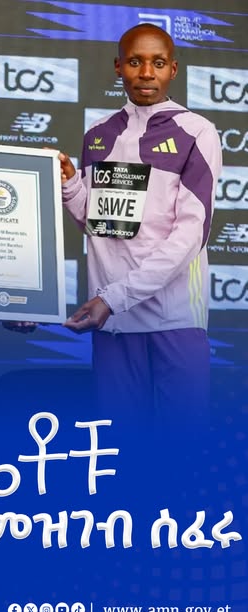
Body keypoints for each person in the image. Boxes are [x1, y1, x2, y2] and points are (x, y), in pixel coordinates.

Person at [60, 23, 222, 431]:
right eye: (135, 62)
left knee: (182, 444)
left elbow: (190, 236)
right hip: (113, 322)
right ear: (118, 67)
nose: (146, 73)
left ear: (173, 69)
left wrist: (115, 297)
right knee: (120, 443)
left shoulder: (197, 132)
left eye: (158, 63)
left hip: (174, 319)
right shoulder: (98, 133)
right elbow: (97, 223)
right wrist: (70, 185)